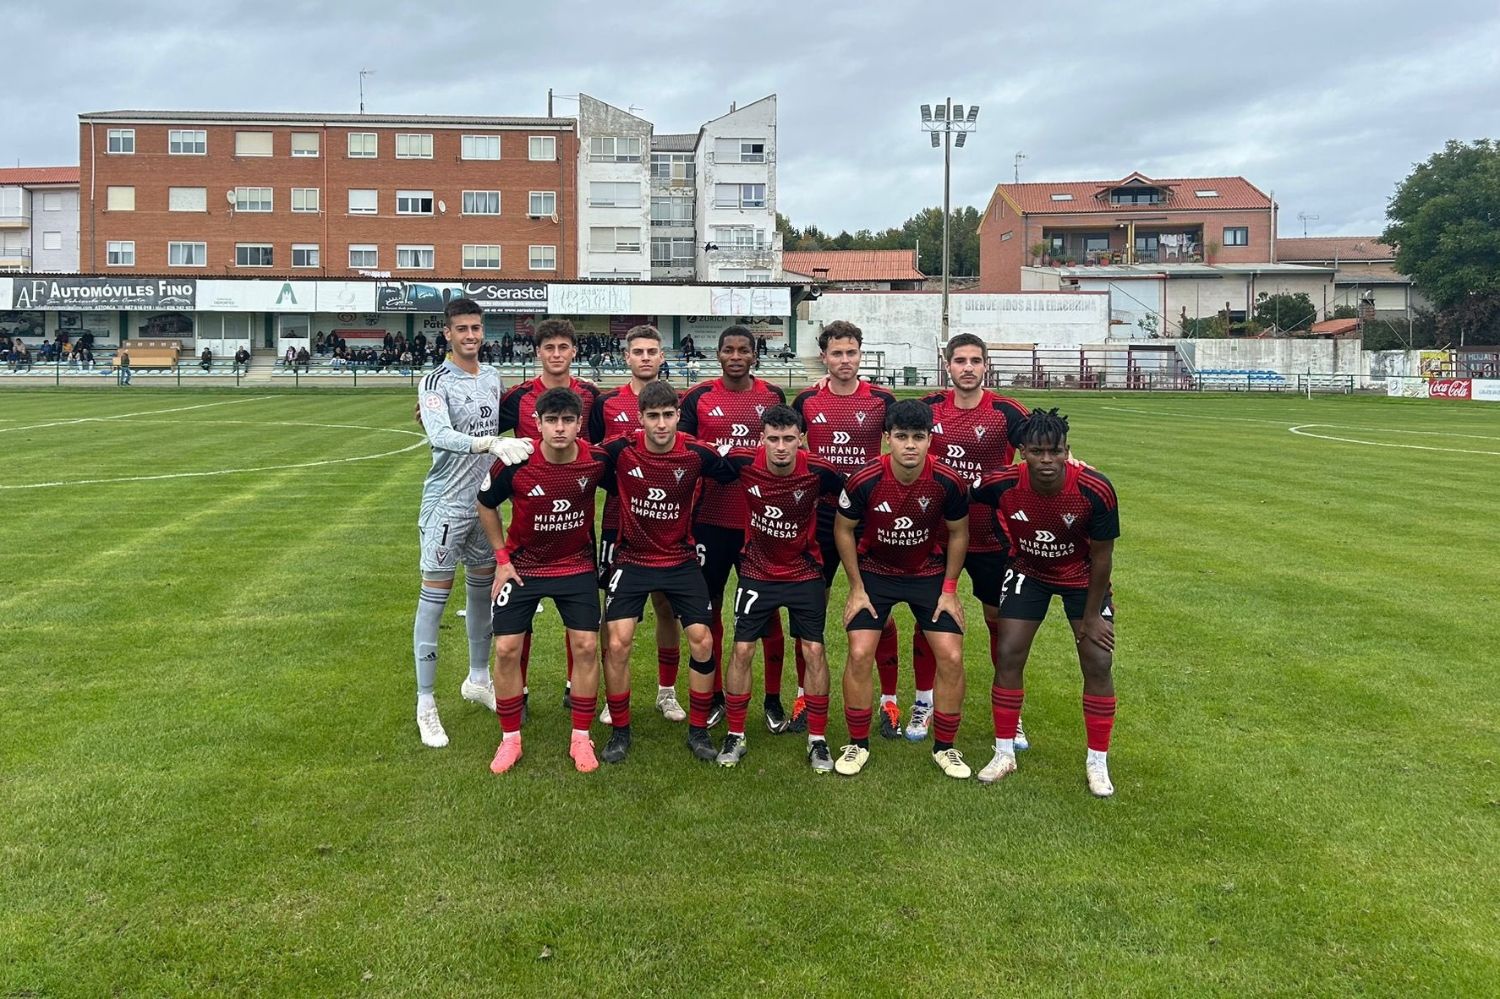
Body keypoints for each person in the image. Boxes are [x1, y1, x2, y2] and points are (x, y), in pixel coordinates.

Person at [973, 409, 1120, 797]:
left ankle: (1097, 762)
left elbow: (1103, 557)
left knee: (1098, 661)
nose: (1046, 460)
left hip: (1082, 577)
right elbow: (958, 491)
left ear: (1067, 451)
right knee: (1008, 653)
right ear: (1022, 451)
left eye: (1055, 451)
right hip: (1029, 571)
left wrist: (1092, 616)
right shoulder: (1001, 484)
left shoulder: (1095, 488)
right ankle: (1004, 752)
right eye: (1037, 451)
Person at [410, 297, 533, 748]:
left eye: (475, 328)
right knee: (434, 602)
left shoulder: (493, 376)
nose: (469, 335)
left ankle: (477, 679)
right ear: (447, 333)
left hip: (484, 505)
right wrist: (488, 445)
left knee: (483, 593)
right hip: (445, 505)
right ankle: (426, 703)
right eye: (460, 328)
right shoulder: (435, 379)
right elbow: (439, 435)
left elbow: (505, 420)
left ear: (484, 331)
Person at [596, 380, 737, 764]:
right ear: (640, 418)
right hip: (633, 558)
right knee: (619, 640)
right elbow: (575, 456)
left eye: (668, 415)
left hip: (680, 559)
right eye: (653, 416)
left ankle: (698, 730)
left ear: (678, 415)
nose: (661, 424)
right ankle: (620, 731)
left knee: (702, 640)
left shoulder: (696, 453)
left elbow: (741, 465)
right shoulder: (621, 450)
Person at [834, 399, 971, 779]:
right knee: (860, 652)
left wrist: (949, 589)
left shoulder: (948, 481)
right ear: (887, 439)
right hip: (876, 573)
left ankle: (945, 748)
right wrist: (856, 587)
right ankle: (857, 744)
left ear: (930, 439)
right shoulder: (865, 479)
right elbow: (843, 529)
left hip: (927, 573)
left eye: (918, 437)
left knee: (952, 656)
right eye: (901, 437)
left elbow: (960, 533)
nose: (910, 445)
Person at [476, 387, 609, 774]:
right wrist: (502, 559)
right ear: (537, 424)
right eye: (551, 420)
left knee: (585, 646)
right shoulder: (517, 462)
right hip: (524, 568)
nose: (560, 428)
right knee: (505, 650)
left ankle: (581, 737)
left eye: (568, 420)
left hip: (575, 565)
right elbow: (485, 505)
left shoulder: (594, 460)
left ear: (580, 424)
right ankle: (510, 739)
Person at [910, 333, 1030, 741]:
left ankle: (1010, 714)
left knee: (1000, 621)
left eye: (975, 361)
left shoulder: (1005, 412)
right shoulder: (928, 409)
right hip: (934, 535)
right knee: (929, 619)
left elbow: (1042, 447)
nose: (968, 368)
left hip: (992, 536)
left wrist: (1073, 461)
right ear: (947, 366)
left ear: (986, 366)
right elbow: (888, 421)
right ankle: (923, 702)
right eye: (959, 360)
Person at [714, 406, 845, 771]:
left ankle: (817, 739)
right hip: (756, 570)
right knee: (741, 650)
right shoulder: (743, 461)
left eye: (789, 439)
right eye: (773, 439)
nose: (782, 447)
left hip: (804, 571)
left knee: (814, 650)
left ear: (801, 439)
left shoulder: (820, 470)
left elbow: (856, 494)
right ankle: (736, 733)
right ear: (761, 439)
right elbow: (698, 455)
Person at [791, 321, 901, 736]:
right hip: (817, 518)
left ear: (861, 355)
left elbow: (920, 425)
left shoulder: (881, 400)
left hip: (869, 518)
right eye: (836, 354)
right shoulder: (806, 399)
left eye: (851, 353)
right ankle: (804, 695)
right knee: (809, 611)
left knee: (877, 609)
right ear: (824, 356)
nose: (844, 361)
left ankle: (889, 702)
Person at [678, 325, 789, 729]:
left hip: (760, 522)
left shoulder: (772, 396)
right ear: (718, 354)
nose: (737, 356)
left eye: (745, 349)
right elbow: (685, 453)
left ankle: (773, 700)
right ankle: (716, 696)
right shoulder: (698, 397)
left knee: (768, 610)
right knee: (709, 610)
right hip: (710, 520)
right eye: (729, 350)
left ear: (755, 355)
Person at [495, 318, 601, 711]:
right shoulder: (519, 397)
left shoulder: (590, 396)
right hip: (529, 511)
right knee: (517, 620)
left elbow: (610, 446)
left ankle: (577, 687)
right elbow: (485, 426)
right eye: (549, 348)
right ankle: (516, 691)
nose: (556, 355)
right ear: (538, 352)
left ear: (574, 351)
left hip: (575, 513)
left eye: (563, 348)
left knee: (580, 622)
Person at [589, 326, 684, 723]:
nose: (645, 357)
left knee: (667, 607)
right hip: (619, 522)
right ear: (626, 357)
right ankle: (615, 698)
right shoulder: (606, 403)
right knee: (613, 613)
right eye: (638, 351)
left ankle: (667, 692)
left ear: (662, 357)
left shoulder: (679, 401)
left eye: (652, 351)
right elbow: (593, 456)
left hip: (667, 527)